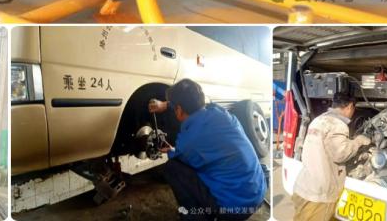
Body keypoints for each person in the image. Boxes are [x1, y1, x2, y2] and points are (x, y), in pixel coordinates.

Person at [149, 79, 267, 220]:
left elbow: (181, 157)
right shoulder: (221, 113)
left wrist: (170, 151)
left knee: (172, 168)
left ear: (179, 110)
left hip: (232, 210)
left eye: (174, 108)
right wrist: (165, 105)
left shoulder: (188, 141)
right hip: (257, 194)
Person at [292, 95, 371, 221]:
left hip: (305, 185)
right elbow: (341, 154)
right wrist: (358, 141)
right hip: (320, 195)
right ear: (350, 106)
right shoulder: (337, 124)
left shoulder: (319, 120)